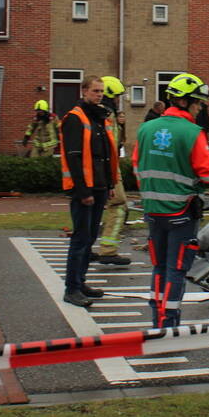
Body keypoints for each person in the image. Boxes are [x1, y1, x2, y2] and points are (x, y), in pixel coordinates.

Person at [134, 72, 209, 328]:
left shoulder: (146, 129)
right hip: (182, 212)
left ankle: (157, 320)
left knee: (159, 268)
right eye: (198, 103)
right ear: (185, 101)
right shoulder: (192, 132)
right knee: (176, 269)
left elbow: (137, 167)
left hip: (153, 211)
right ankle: (169, 324)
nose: (200, 108)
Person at [59, 76, 118, 307]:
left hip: (100, 185)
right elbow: (73, 158)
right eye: (95, 91)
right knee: (81, 239)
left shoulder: (99, 117)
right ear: (84, 91)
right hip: (85, 188)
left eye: (101, 91)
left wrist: (110, 184)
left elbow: (105, 155)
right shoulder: (75, 118)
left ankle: (80, 282)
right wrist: (83, 191)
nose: (99, 95)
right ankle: (72, 289)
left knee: (90, 237)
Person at [94, 76, 132, 265]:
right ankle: (108, 250)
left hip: (98, 169)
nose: (118, 101)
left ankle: (86, 247)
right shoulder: (108, 116)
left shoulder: (97, 114)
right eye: (117, 97)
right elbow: (112, 146)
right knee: (118, 205)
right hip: (108, 169)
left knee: (93, 208)